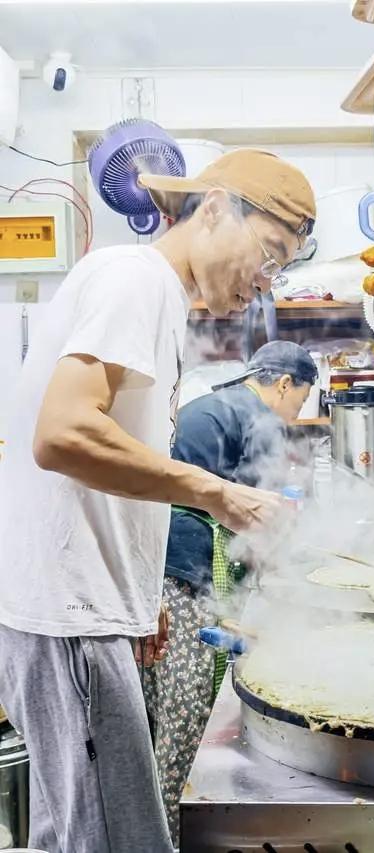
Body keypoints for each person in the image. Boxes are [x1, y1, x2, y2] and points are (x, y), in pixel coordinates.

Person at [0, 149, 316, 853]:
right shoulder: (134, 278)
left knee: (76, 831)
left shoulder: (158, 297)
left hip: (90, 606)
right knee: (121, 840)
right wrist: (220, 492)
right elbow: (64, 435)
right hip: (71, 613)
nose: (266, 282)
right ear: (212, 209)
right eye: (268, 252)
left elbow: (116, 455)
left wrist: (144, 594)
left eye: (282, 267)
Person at [145, 340, 317, 843]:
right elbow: (262, 520)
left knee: (159, 713)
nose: (296, 411)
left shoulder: (213, 402)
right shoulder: (259, 418)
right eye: (300, 400)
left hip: (159, 573)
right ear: (283, 384)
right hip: (189, 574)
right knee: (187, 716)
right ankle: (172, 837)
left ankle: (154, 827)